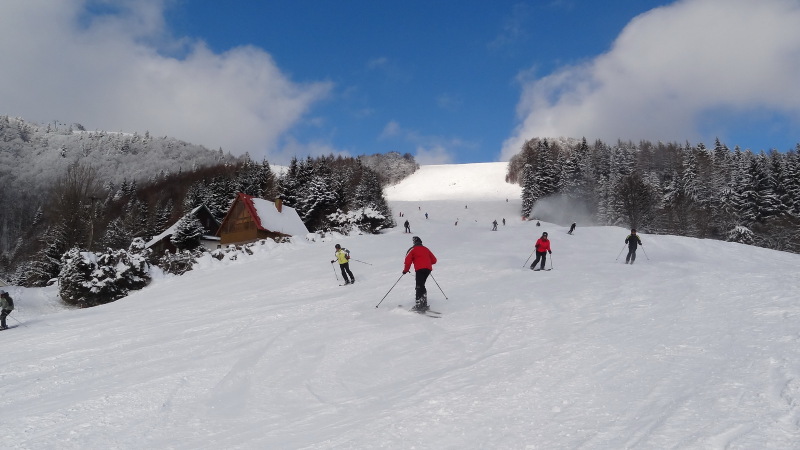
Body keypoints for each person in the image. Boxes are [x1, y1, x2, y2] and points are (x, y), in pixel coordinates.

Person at [403, 236, 437, 310]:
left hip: (419, 269)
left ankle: (419, 304)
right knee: (421, 285)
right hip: (428, 269)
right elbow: (434, 260)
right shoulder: (426, 249)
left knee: (419, 285)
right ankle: (423, 302)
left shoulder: (413, 249)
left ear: (414, 242)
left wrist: (405, 270)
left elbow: (407, 261)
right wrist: (426, 262)